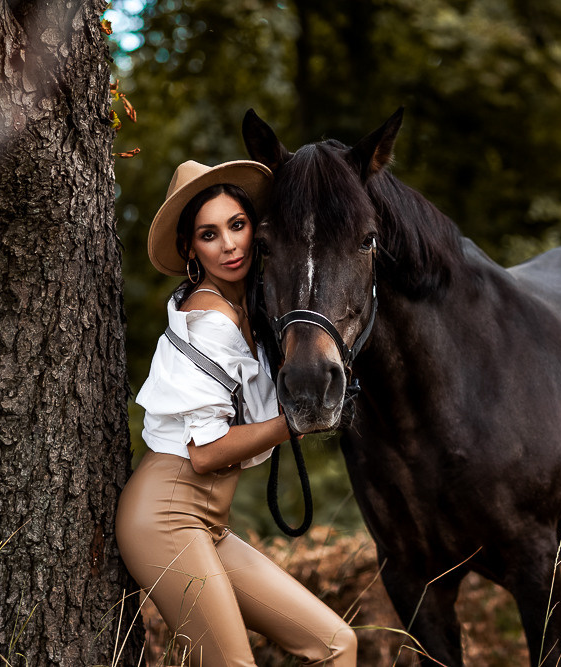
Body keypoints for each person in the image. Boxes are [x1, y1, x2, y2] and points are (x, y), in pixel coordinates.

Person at [116, 159, 358, 666]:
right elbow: (204, 455)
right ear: (190, 249)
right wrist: (292, 423)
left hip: (208, 522)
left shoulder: (251, 309)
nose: (228, 244)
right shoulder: (207, 320)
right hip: (163, 518)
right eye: (209, 234)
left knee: (337, 645)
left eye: (237, 225)